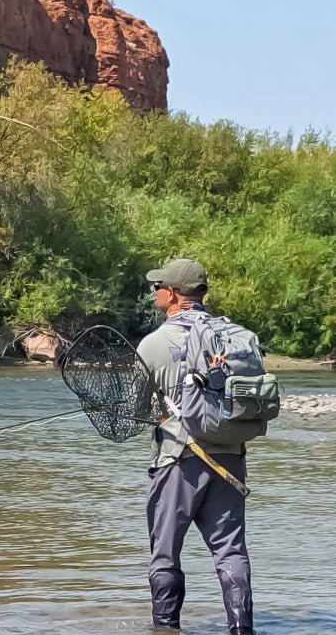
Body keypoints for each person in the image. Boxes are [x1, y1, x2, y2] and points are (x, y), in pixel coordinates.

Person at [136, 258, 254, 635]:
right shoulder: (234, 336)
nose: (155, 292)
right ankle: (241, 629)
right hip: (230, 459)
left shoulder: (154, 343)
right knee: (231, 552)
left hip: (178, 462)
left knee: (165, 554)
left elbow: (137, 411)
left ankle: (166, 629)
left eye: (158, 287)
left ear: (172, 293)